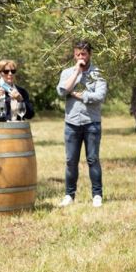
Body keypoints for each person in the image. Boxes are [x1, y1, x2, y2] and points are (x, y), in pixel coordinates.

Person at [56, 40, 108, 208]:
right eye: (77, 54)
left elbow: (100, 96)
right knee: (71, 160)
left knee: (92, 159)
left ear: (89, 54)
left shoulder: (98, 73)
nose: (80, 57)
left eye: (83, 54)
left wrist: (81, 95)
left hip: (91, 123)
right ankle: (69, 195)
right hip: (71, 123)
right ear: (74, 55)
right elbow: (62, 91)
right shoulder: (67, 72)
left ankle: (97, 195)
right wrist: (77, 71)